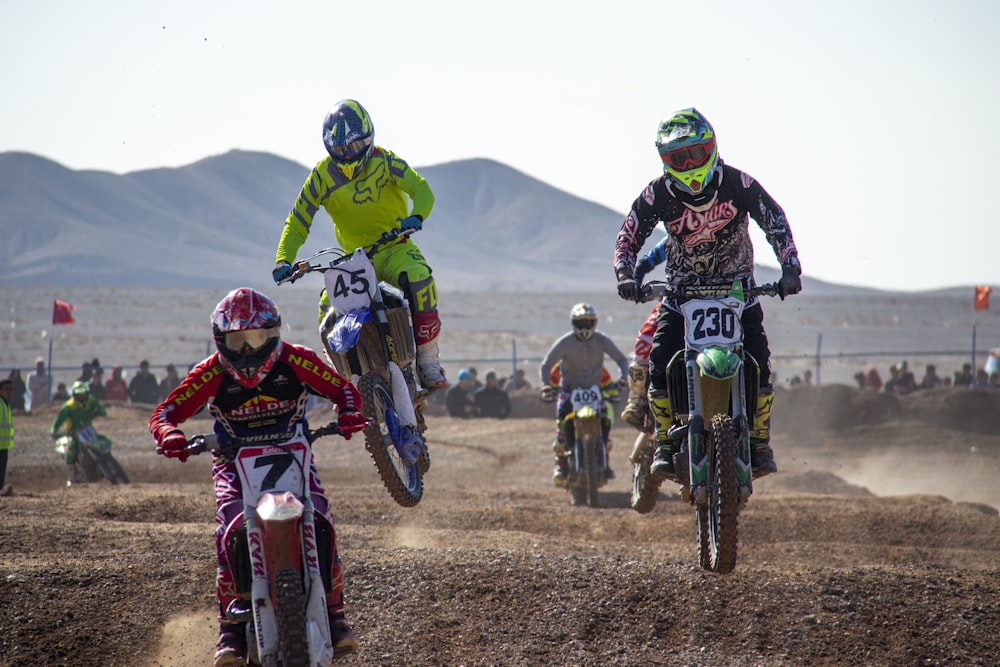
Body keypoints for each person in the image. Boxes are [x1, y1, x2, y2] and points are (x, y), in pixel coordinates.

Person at [148, 287, 368, 667]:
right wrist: (169, 434)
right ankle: (230, 630)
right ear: (222, 341)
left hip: (291, 453)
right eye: (238, 340)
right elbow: (165, 412)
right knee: (230, 529)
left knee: (321, 517)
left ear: (274, 335)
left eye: (257, 340)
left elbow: (343, 390)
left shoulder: (297, 360)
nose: (249, 351)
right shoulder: (211, 372)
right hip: (233, 461)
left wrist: (348, 411)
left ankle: (335, 615)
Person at [614, 107, 802, 481]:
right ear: (665, 161)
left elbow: (774, 218)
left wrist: (790, 266)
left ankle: (760, 440)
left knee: (760, 361)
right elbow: (629, 234)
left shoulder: (738, 184)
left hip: (738, 289)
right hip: (682, 293)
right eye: (676, 158)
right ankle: (667, 443)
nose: (687, 165)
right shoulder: (658, 194)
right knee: (659, 358)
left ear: (711, 148)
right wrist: (624, 273)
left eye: (694, 155)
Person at [271, 99, 447, 391]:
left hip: (394, 247)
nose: (347, 155)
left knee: (418, 278)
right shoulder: (321, 176)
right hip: (353, 262)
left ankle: (428, 361)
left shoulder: (385, 160)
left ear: (368, 140)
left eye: (353, 147)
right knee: (326, 311)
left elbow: (421, 189)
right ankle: (345, 383)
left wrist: (416, 216)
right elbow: (298, 220)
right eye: (340, 150)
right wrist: (283, 259)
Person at [539, 303, 629, 486]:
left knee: (605, 419)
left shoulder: (601, 340)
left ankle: (605, 461)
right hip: (569, 391)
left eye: (588, 323)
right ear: (573, 324)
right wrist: (546, 385)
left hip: (595, 390)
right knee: (562, 425)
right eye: (580, 323)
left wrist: (624, 378)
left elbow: (621, 359)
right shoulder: (566, 342)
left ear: (594, 323)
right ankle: (562, 465)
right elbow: (546, 364)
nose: (584, 327)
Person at [50, 380, 107, 486]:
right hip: (74, 433)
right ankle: (72, 475)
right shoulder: (69, 406)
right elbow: (58, 421)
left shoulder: (91, 400)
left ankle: (106, 461)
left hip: (88, 429)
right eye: (79, 393)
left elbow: (102, 409)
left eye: (83, 392)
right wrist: (53, 431)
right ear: (74, 394)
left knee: (103, 440)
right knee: (71, 448)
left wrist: (99, 412)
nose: (82, 395)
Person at [0, 379, 14, 496]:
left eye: (11, 389)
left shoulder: (5, 404)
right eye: (6, 389)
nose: (9, 392)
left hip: (3, 446)